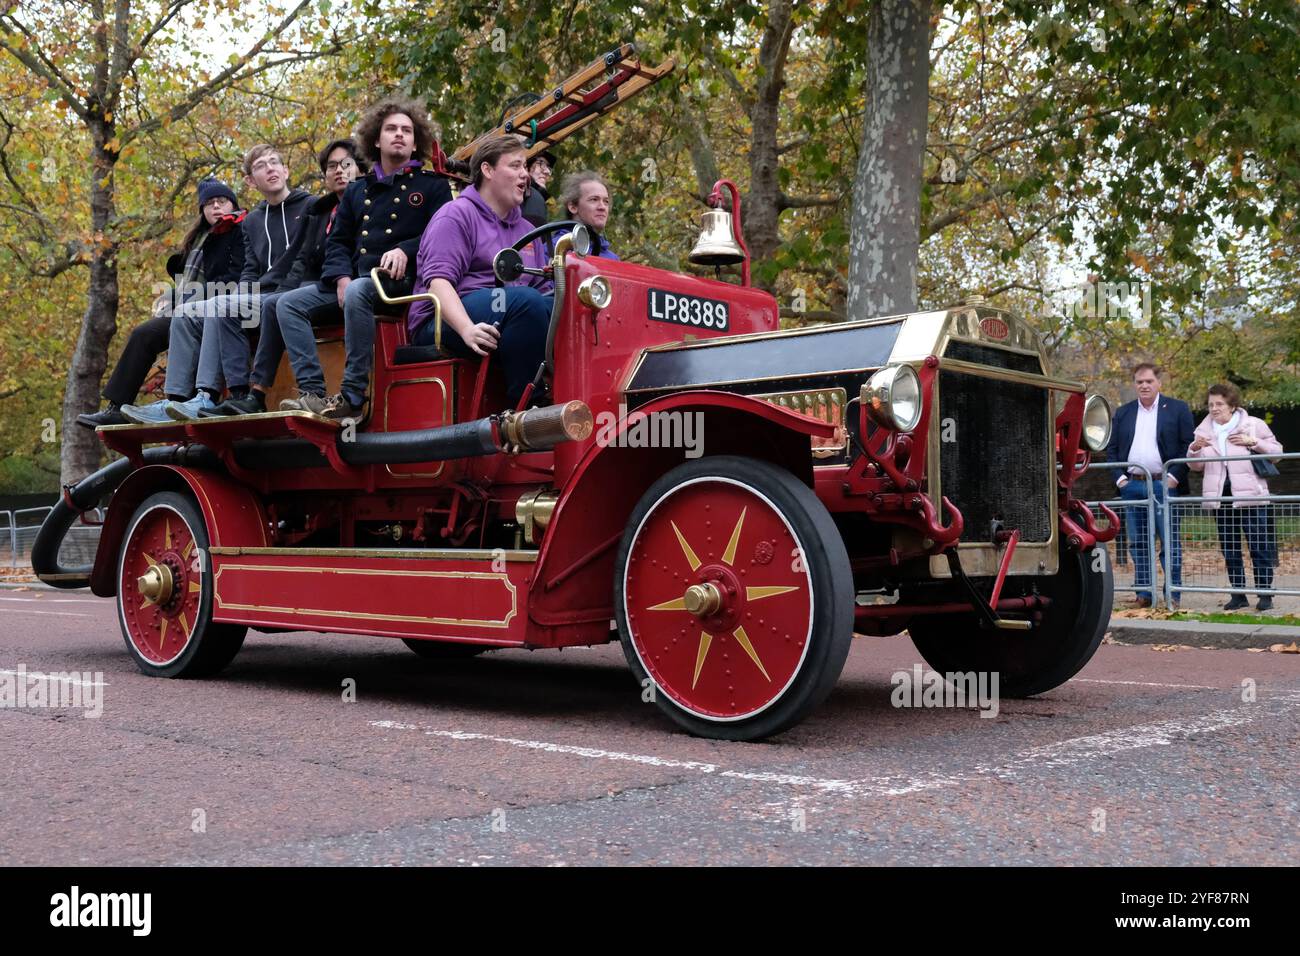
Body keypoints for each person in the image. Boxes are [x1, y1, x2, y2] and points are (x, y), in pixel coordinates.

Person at [277, 96, 452, 419]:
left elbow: (442, 235)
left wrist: (406, 250)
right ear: (376, 139)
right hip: (356, 281)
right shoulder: (358, 190)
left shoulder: (433, 187)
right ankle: (313, 392)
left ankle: (353, 397)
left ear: (416, 143)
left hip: (404, 284)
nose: (399, 134)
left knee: (359, 290)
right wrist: (340, 277)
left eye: (406, 130)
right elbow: (338, 241)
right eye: (391, 129)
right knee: (287, 304)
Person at [121, 145, 314, 422]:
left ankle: (208, 395)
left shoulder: (310, 206)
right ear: (250, 180)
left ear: (286, 171)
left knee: (218, 305)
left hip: (296, 292)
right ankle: (176, 399)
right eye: (261, 165)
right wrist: (241, 294)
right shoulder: (253, 221)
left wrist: (271, 293)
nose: (270, 168)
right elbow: (249, 269)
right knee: (186, 313)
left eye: (275, 163)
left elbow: (308, 257)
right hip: (260, 295)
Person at [201, 139, 366, 416]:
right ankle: (235, 395)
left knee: (278, 303)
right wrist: (245, 294)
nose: (340, 171)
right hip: (294, 287)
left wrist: (337, 278)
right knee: (221, 308)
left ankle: (288, 391)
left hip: (326, 285)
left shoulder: (317, 204)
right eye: (332, 167)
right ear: (251, 181)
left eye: (347, 165)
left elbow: (314, 261)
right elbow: (289, 258)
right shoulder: (314, 210)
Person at [77, 178, 245, 428]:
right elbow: (187, 282)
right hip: (188, 308)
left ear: (233, 204)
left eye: (222, 201)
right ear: (202, 210)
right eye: (209, 203)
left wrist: (186, 299)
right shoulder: (198, 238)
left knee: (178, 321)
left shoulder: (240, 232)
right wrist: (171, 296)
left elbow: (233, 279)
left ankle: (184, 399)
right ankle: (116, 406)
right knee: (144, 333)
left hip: (219, 307)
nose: (216, 207)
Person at [407, 134, 553, 406]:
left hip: (507, 309)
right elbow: (438, 284)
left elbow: (544, 293)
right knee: (525, 302)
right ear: (487, 170)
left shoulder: (529, 232)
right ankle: (526, 407)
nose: (525, 175)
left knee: (562, 305)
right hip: (443, 319)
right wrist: (466, 329)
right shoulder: (456, 215)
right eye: (515, 166)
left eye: (525, 168)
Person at [1104, 363, 1195, 607]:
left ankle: (1172, 595)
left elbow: (1188, 444)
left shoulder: (1177, 409)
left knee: (1169, 541)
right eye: (1139, 382)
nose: (1144, 385)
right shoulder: (1123, 412)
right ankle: (1144, 593)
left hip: (1163, 485)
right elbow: (1111, 449)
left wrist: (1174, 477)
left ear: (1159, 383)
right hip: (1132, 486)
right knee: (1139, 542)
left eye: (1149, 381)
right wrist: (1120, 479)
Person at [1188, 383, 1283, 611]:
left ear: (1232, 405)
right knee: (1230, 548)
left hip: (1250, 495)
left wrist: (1254, 442)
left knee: (1258, 545)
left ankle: (1265, 595)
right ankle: (1238, 594)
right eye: (1211, 404)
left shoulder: (1252, 424)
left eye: (1219, 403)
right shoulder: (1202, 430)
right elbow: (1195, 466)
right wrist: (1194, 449)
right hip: (1221, 496)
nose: (1214, 408)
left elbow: (1277, 453)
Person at [557, 170, 619, 259]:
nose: (602, 207)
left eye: (606, 201)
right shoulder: (554, 249)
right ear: (573, 207)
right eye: (594, 199)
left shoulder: (612, 259)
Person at [520, 150, 555, 228]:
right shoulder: (532, 196)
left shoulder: (533, 196)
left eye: (548, 167)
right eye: (541, 164)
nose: (547, 172)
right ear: (526, 167)